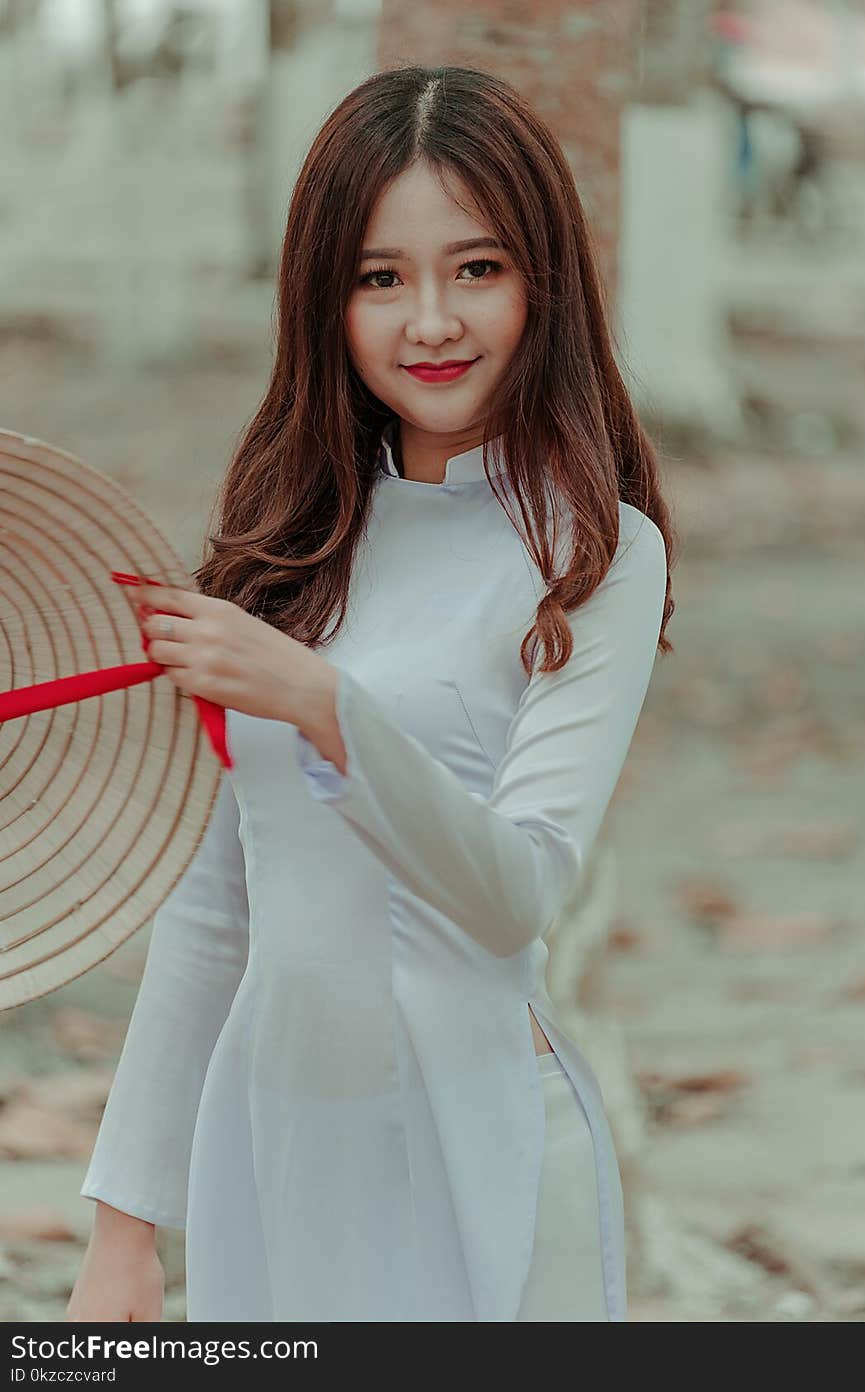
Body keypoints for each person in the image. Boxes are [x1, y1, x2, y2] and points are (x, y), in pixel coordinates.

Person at [67, 64, 676, 1324]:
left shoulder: (591, 554)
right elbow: (210, 918)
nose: (432, 322)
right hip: (275, 1147)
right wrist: (123, 1230)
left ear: (543, 282)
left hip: (481, 1140)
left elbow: (514, 896)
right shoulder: (285, 552)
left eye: (478, 268)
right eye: (379, 278)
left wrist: (322, 706)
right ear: (323, 302)